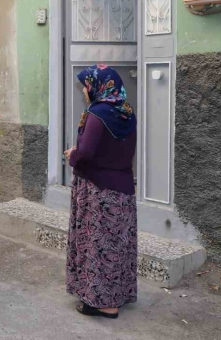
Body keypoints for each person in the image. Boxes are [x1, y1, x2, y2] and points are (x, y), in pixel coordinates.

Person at [64, 64, 138, 319]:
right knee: (117, 244)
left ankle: (105, 304)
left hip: (97, 191)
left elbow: (86, 153)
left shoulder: (97, 114)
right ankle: (119, 294)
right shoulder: (126, 112)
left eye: (86, 84)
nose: (85, 90)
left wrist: (72, 155)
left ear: (97, 86)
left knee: (98, 245)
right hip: (122, 190)